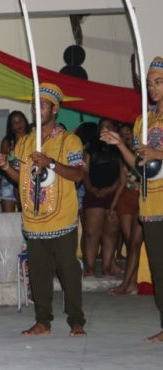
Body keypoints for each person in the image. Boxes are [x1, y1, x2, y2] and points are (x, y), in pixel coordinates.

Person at [0, 82, 86, 337]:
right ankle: (43, 321)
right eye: (35, 104)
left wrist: (51, 163)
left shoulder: (70, 140)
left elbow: (78, 175)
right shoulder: (24, 143)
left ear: (55, 109)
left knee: (68, 271)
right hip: (33, 220)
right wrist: (3, 166)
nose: (37, 109)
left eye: (42, 104)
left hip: (62, 218)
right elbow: (20, 177)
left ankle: (76, 320)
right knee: (38, 273)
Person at [100, 56, 163, 342]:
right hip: (150, 204)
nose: (153, 88)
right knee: (160, 272)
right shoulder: (143, 121)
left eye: (159, 82)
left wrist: (159, 154)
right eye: (150, 83)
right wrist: (120, 146)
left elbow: (153, 157)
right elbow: (138, 165)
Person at [81, 119, 122, 277]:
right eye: (102, 126)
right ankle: (90, 267)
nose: (105, 129)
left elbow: (124, 174)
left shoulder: (120, 148)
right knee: (91, 232)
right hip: (94, 192)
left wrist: (112, 189)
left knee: (111, 232)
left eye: (109, 126)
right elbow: (84, 172)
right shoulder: (91, 148)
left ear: (115, 128)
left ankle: (106, 267)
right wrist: (92, 188)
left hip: (114, 193)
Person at [108, 123, 143, 295]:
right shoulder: (123, 156)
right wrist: (113, 205)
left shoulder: (145, 151)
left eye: (128, 132)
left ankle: (127, 284)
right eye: (122, 134)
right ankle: (131, 284)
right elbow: (122, 182)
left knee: (135, 244)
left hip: (142, 199)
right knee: (131, 244)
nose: (126, 135)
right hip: (125, 199)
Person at [0, 111, 31, 212]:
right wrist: (11, 156)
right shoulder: (7, 141)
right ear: (11, 126)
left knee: (25, 212)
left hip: (27, 178)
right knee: (8, 218)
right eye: (15, 122)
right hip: (9, 180)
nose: (18, 124)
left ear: (25, 122)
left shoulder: (33, 139)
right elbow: (3, 162)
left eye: (21, 120)